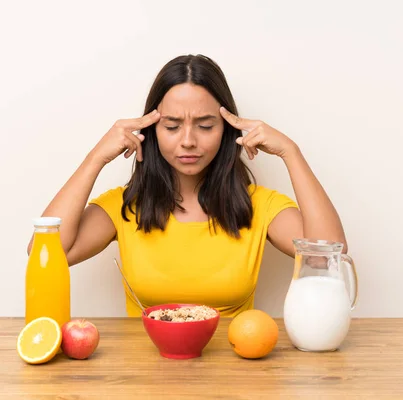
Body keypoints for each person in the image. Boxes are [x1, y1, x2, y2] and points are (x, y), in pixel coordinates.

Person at [28, 54, 348, 317]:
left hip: (236, 377)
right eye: (172, 126)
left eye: (205, 125)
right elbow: (42, 254)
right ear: (151, 129)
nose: (188, 141)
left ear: (226, 129)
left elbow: (328, 256)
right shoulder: (125, 207)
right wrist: (95, 158)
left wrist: (291, 152)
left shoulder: (259, 206)